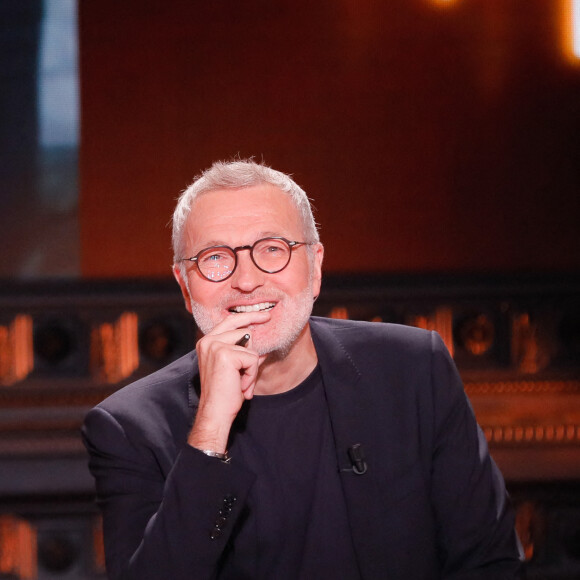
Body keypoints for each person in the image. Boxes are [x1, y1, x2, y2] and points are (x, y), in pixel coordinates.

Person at [82, 159, 523, 579]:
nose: (248, 279)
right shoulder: (128, 428)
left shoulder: (412, 368)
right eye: (216, 257)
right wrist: (210, 432)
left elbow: (488, 561)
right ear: (184, 284)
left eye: (273, 249)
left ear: (314, 267)